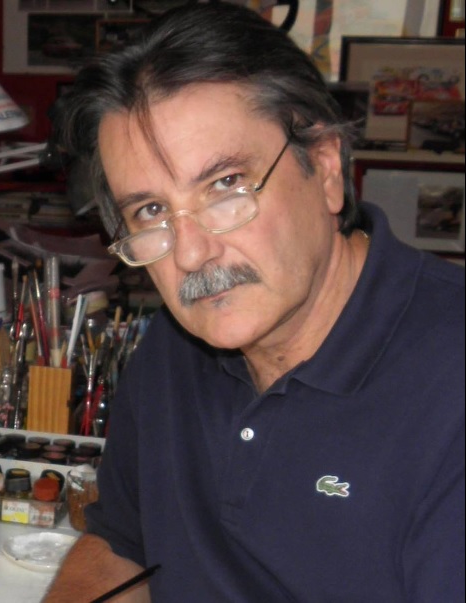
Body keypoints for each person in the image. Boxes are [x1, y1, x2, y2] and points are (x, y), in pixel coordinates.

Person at [43, 3, 465, 602]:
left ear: (325, 168)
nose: (191, 254)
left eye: (225, 185)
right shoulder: (172, 347)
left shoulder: (450, 388)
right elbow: (121, 545)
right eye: (152, 211)